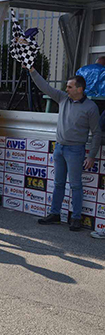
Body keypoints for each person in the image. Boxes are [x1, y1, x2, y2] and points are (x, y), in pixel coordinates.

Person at [26, 67, 101, 231]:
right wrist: (33, 71)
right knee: (58, 183)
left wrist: (92, 156)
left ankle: (76, 218)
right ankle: (55, 214)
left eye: (69, 86)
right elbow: (45, 87)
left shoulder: (91, 107)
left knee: (75, 185)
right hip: (59, 147)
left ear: (79, 89)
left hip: (76, 150)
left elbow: (96, 133)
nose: (66, 89)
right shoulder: (62, 98)